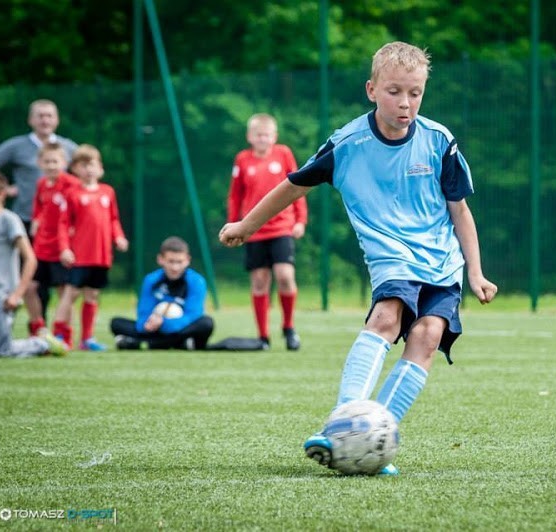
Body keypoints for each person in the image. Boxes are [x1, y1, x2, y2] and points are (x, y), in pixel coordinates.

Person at [219, 41, 498, 475]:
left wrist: (476, 272)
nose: (405, 103)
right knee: (387, 318)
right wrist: (246, 226)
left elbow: (460, 210)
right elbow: (293, 186)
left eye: (415, 93)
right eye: (393, 92)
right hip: (391, 257)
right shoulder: (346, 144)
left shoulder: (439, 141)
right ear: (371, 90)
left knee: (426, 337)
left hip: (443, 262)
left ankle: (370, 440)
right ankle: (342, 425)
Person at [0, 99, 77, 327]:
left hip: (59, 229)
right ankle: (36, 327)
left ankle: (62, 331)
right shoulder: (17, 146)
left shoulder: (68, 147)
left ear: (57, 119)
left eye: (49, 115)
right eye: (40, 115)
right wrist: (3, 190)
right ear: (31, 120)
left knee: (61, 281)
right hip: (27, 223)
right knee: (30, 279)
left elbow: (86, 174)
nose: (45, 120)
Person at [227, 113, 307, 351]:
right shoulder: (242, 160)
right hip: (254, 230)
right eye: (258, 135)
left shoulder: (283, 154)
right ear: (250, 137)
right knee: (260, 281)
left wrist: (300, 220)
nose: (263, 139)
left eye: (267, 135)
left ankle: (289, 328)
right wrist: (235, 225)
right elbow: (235, 196)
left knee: (285, 276)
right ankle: (263, 337)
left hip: (282, 227)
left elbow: (298, 186)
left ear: (275, 136)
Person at [52, 144, 129, 350]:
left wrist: (118, 237)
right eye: (83, 165)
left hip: (101, 255)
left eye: (92, 164)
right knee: (70, 293)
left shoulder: (107, 192)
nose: (88, 169)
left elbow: (113, 219)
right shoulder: (71, 194)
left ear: (100, 168)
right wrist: (64, 248)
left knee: (92, 295)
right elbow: (63, 224)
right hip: (80, 256)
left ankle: (87, 339)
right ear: (75, 169)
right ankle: (59, 334)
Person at [0, 170, 66, 358]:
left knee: (1, 351)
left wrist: (17, 294)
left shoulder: (8, 220)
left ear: (1, 194)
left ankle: (41, 343)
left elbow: (30, 259)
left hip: (1, 298)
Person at [110, 236, 214, 350]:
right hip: (155, 329)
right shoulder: (151, 280)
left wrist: (164, 323)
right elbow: (143, 314)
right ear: (160, 259)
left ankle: (142, 342)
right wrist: (148, 324)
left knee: (206, 323)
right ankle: (180, 343)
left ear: (187, 260)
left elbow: (192, 315)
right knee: (116, 323)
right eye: (171, 261)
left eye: (179, 262)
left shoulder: (197, 281)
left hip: (181, 327)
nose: (175, 267)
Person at [28, 143, 81, 335]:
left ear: (64, 163)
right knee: (30, 287)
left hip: (62, 247)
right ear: (39, 163)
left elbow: (77, 213)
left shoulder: (71, 184)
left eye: (55, 161)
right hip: (41, 246)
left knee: (64, 291)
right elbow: (39, 208)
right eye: (47, 161)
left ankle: (64, 333)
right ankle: (37, 328)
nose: (51, 166)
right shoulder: (41, 184)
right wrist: (36, 220)